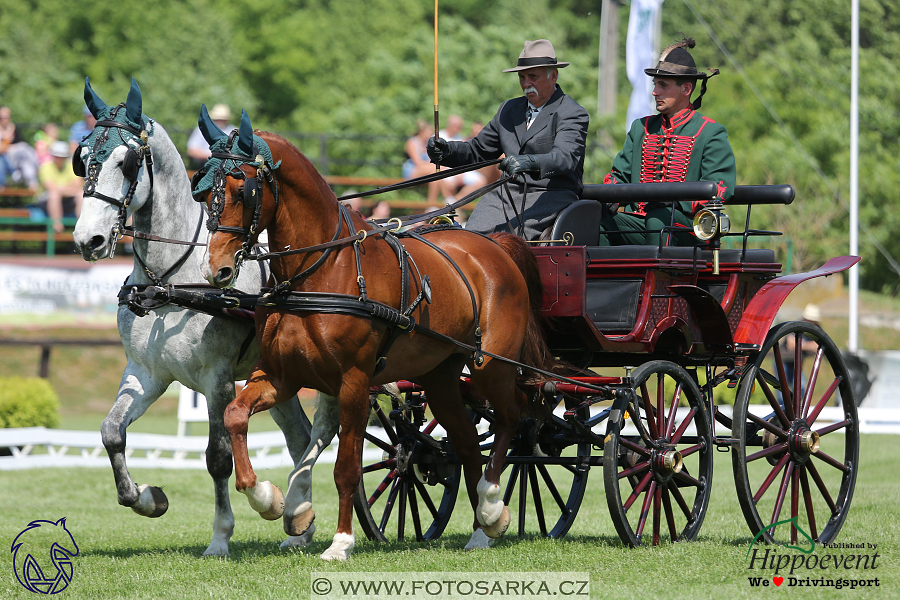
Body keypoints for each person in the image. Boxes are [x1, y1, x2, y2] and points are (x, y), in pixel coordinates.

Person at [426, 39, 589, 240]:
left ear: (553, 75)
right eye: (522, 77)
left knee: (507, 244)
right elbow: (478, 150)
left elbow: (565, 158)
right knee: (470, 240)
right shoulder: (508, 110)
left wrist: (531, 162)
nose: (526, 83)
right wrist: (447, 152)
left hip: (549, 195)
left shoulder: (572, 112)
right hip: (505, 195)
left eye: (533, 76)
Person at [599, 37, 736, 246]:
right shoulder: (640, 128)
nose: (655, 92)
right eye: (655, 85)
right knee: (594, 219)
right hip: (642, 222)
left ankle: (658, 278)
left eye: (663, 85)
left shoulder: (710, 132)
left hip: (688, 229)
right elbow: (619, 176)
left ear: (686, 89)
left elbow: (719, 188)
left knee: (659, 216)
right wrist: (611, 196)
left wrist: (676, 201)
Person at [35, 141, 83, 233]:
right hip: (45, 201)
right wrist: (67, 188)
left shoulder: (71, 166)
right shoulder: (45, 167)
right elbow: (50, 188)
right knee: (54, 195)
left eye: (62, 157)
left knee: (81, 194)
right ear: (53, 156)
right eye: (57, 156)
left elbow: (78, 184)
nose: (60, 159)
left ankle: (81, 226)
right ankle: (57, 227)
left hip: (66, 200)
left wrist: (60, 188)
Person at [187, 104, 236, 170]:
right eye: (218, 118)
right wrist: (214, 156)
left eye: (222, 119)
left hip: (229, 166)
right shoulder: (202, 129)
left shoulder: (234, 131)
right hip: (205, 165)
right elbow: (192, 150)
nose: (220, 121)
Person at [0, 106, 39, 190]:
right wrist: (8, 143)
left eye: (7, 117)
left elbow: (20, 141)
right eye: (2, 117)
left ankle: (32, 183)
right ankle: (37, 166)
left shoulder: (13, 128)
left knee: (26, 161)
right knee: (23, 148)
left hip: (18, 159)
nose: (4, 120)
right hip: (6, 159)